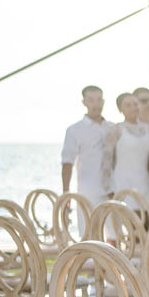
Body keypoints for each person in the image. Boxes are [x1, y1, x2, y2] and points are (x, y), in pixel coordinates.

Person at [60, 86, 114, 222]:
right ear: (84, 102)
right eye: (91, 100)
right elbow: (67, 163)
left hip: (113, 191)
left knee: (115, 232)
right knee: (88, 232)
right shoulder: (74, 130)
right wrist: (66, 194)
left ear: (103, 101)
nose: (96, 104)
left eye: (99, 100)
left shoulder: (112, 127)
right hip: (88, 193)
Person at [109, 92, 149, 210]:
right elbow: (107, 161)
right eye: (128, 105)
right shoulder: (116, 129)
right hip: (123, 183)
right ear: (120, 109)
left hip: (145, 182)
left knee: (147, 217)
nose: (133, 108)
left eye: (135, 104)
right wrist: (109, 188)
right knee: (129, 216)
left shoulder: (148, 129)